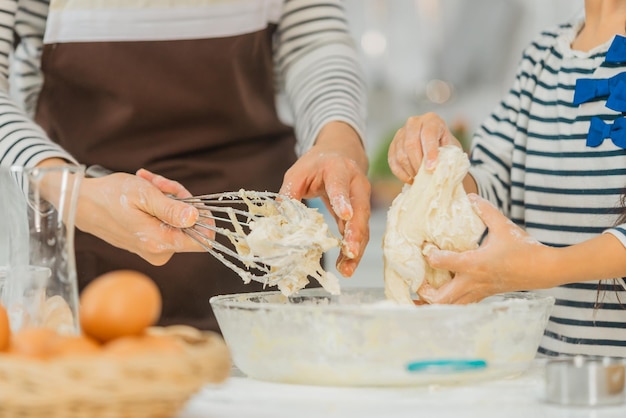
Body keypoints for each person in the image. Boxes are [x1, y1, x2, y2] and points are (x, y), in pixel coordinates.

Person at [0, 0, 370, 332]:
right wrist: (71, 190)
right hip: (87, 249)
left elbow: (315, 42)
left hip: (269, 257)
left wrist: (338, 139)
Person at [388, 0, 626, 357]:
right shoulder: (542, 57)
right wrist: (443, 167)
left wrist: (544, 266)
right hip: (550, 368)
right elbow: (493, 186)